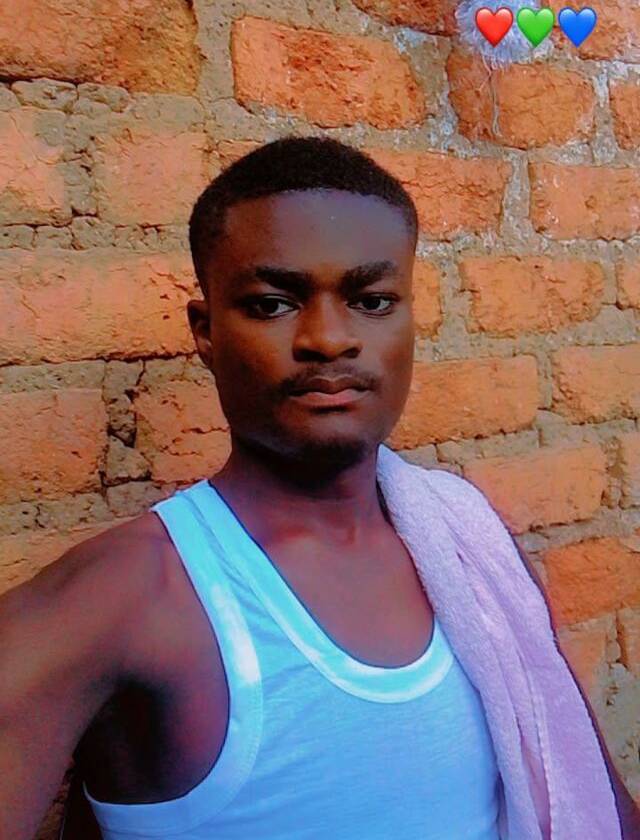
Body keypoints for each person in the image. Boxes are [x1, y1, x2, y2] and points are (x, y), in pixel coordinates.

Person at [0, 136, 638, 840]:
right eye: (273, 304)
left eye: (372, 300)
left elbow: (597, 802)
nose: (329, 339)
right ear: (205, 332)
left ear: (411, 317)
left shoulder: (471, 547)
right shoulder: (122, 601)